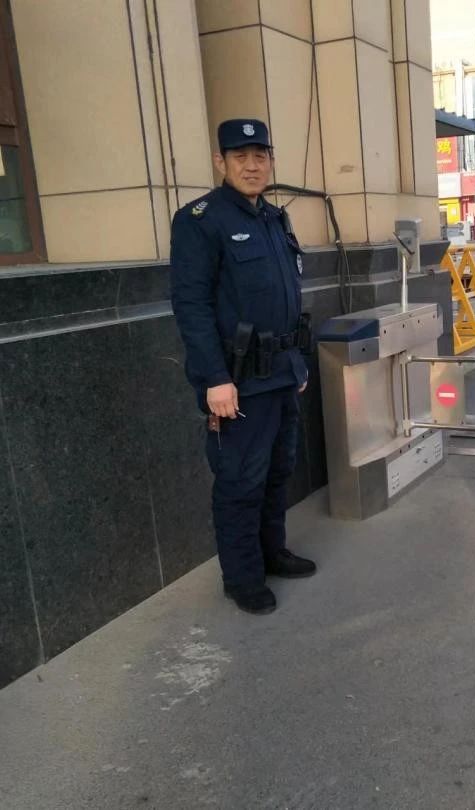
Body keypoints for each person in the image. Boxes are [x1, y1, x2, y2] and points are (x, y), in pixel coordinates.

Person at [170, 119, 316, 615]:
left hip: (281, 372)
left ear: (270, 160)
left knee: (277, 472)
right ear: (221, 161)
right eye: (240, 157)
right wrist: (215, 378)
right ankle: (242, 577)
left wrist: (297, 363)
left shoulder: (274, 218)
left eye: (260, 156)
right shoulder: (200, 220)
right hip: (238, 381)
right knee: (240, 481)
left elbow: (287, 297)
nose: (252, 166)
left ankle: (272, 553)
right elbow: (191, 307)